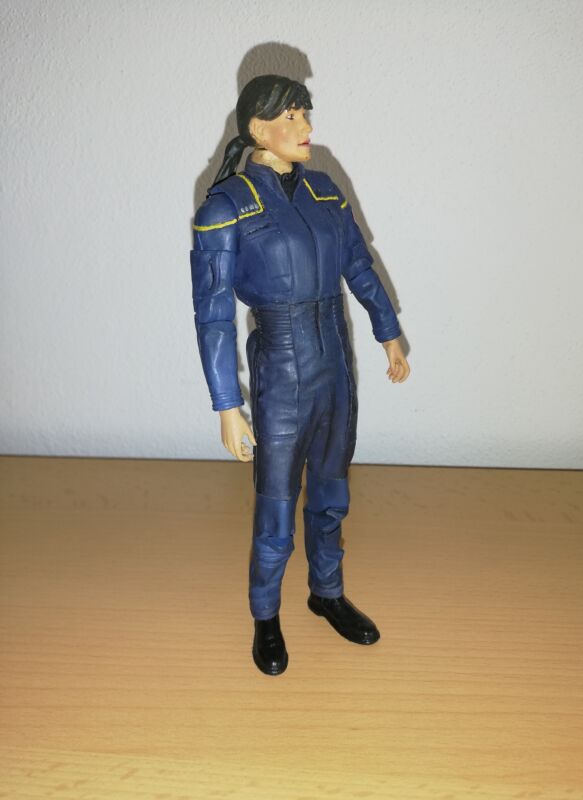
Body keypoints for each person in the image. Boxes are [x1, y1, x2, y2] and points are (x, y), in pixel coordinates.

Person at [190, 74, 410, 676]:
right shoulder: (227, 207)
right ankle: (265, 614)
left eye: (306, 114)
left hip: (335, 365)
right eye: (292, 116)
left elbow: (358, 264)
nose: (306, 127)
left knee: (331, 493)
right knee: (277, 505)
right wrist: (227, 404)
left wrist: (387, 331)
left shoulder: (324, 192)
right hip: (282, 371)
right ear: (258, 128)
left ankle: (326, 592)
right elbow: (213, 316)